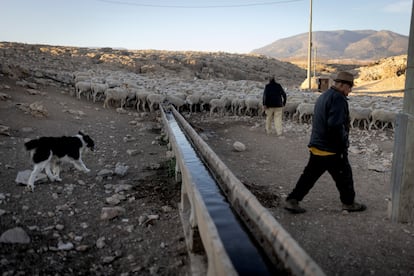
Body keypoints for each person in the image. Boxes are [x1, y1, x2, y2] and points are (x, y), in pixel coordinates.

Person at [285, 71, 366, 214]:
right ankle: (348, 203)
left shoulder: (324, 96)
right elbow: (335, 125)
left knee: (309, 176)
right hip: (331, 148)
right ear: (341, 85)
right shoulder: (338, 99)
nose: (350, 91)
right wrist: (342, 144)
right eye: (349, 87)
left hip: (318, 146)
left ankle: (292, 200)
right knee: (344, 176)